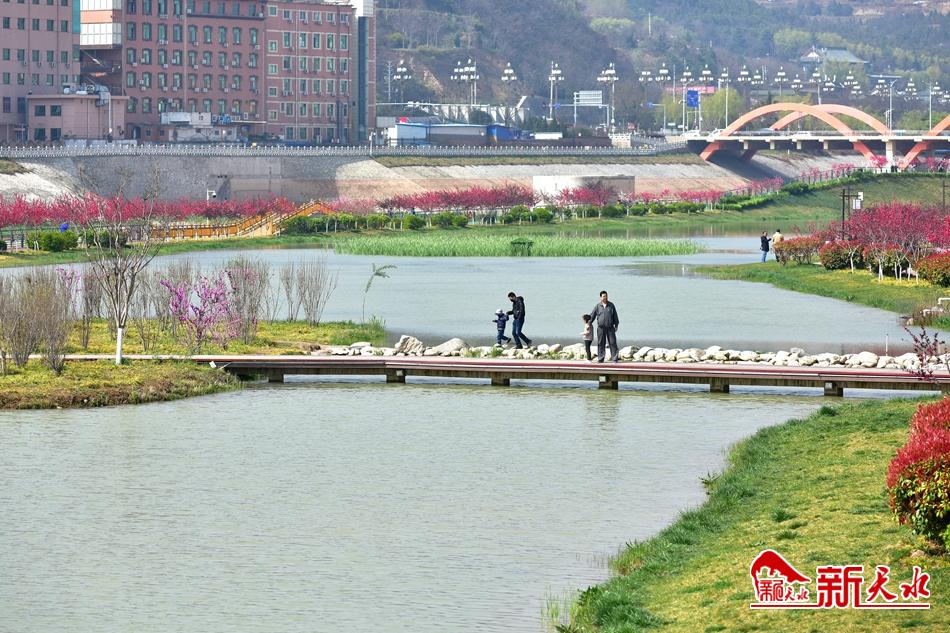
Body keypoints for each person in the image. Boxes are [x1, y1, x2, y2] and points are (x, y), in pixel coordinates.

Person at [589, 290, 620, 363]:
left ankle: (615, 359)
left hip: (610, 327)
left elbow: (615, 315)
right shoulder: (598, 306)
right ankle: (601, 358)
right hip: (601, 328)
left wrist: (616, 325)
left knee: (613, 343)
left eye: (606, 296)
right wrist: (588, 323)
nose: (605, 297)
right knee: (601, 343)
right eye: (603, 296)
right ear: (600, 297)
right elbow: (592, 315)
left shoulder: (611, 305)